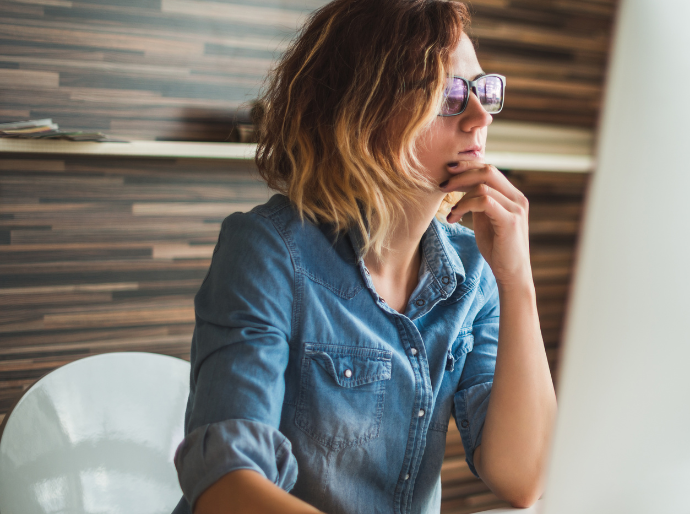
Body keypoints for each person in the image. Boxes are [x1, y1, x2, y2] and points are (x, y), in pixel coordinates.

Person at [170, 1, 556, 512]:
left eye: (482, 89)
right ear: (362, 112)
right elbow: (225, 484)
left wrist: (517, 281)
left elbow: (523, 478)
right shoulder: (267, 251)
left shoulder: (475, 272)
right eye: (448, 96)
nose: (480, 117)